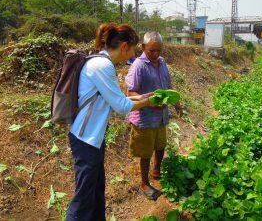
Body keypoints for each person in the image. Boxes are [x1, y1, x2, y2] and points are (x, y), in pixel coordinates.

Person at [66, 23, 154, 221]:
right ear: (124, 46)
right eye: (132, 49)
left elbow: (117, 100)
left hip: (93, 139)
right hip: (85, 139)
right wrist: (149, 102)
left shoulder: (102, 63)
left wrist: (143, 97)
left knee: (96, 191)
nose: (132, 54)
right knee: (83, 199)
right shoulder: (102, 65)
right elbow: (121, 106)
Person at [125, 31, 182, 200]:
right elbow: (130, 91)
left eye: (159, 50)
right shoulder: (138, 66)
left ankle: (157, 171)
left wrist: (177, 103)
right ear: (143, 47)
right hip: (144, 116)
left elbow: (168, 85)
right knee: (145, 152)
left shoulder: (162, 62)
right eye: (152, 51)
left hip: (161, 115)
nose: (156, 54)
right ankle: (144, 182)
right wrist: (148, 100)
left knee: (160, 145)